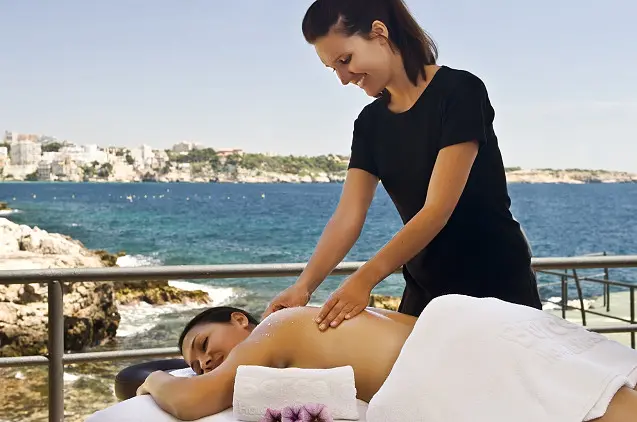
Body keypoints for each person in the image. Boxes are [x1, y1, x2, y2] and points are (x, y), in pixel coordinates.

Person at [262, 0, 543, 330]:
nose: (342, 78)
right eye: (333, 68)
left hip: (497, 286)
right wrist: (303, 287)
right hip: (427, 291)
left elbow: (437, 210)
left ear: (379, 33)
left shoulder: (460, 91)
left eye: (345, 60)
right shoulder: (369, 124)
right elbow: (348, 217)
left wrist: (363, 280)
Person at [135, 302, 637, 421]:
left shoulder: (270, 331)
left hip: (449, 346)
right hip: (463, 320)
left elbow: (193, 402)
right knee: (596, 396)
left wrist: (156, 378)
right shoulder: (312, 317)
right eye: (195, 364)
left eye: (202, 344)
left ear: (239, 319)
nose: (205, 362)